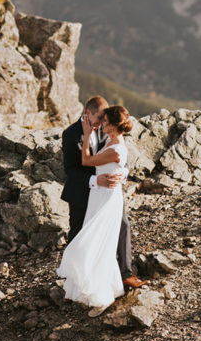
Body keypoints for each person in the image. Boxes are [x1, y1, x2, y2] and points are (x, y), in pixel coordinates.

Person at [58, 98, 145, 304]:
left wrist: (122, 174)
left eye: (104, 119)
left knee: (122, 225)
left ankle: (125, 273)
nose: (101, 123)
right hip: (83, 190)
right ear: (88, 113)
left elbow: (120, 156)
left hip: (107, 193)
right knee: (80, 232)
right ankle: (75, 279)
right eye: (98, 118)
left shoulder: (108, 129)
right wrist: (95, 180)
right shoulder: (70, 134)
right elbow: (70, 170)